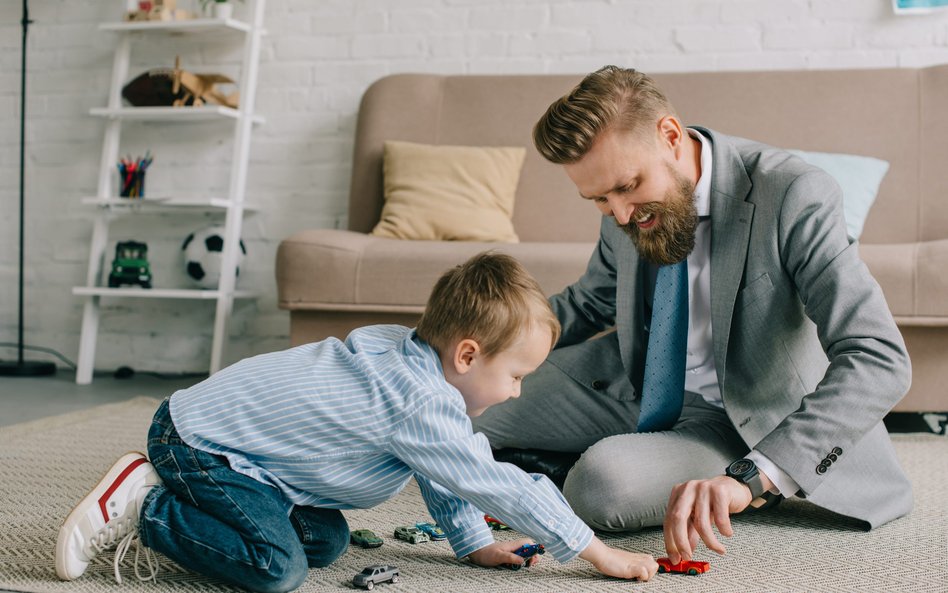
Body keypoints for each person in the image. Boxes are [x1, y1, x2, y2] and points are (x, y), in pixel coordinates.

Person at [472, 65, 913, 565]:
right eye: (598, 199)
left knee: (600, 487)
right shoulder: (625, 204)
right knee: (463, 401)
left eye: (627, 186)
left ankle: (711, 478)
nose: (619, 214)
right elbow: (591, 301)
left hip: (743, 415)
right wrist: (464, 346)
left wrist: (752, 477)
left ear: (670, 135)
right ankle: (586, 454)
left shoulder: (793, 193)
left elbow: (879, 358)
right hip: (638, 384)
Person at [55, 252, 658, 592]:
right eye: (517, 374)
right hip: (199, 442)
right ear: (467, 355)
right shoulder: (416, 400)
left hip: (252, 458)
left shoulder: (411, 359)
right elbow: (492, 480)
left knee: (328, 541)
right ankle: (144, 508)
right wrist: (594, 551)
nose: (517, 390)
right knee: (276, 569)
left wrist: (473, 543)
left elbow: (445, 469)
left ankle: (177, 501)